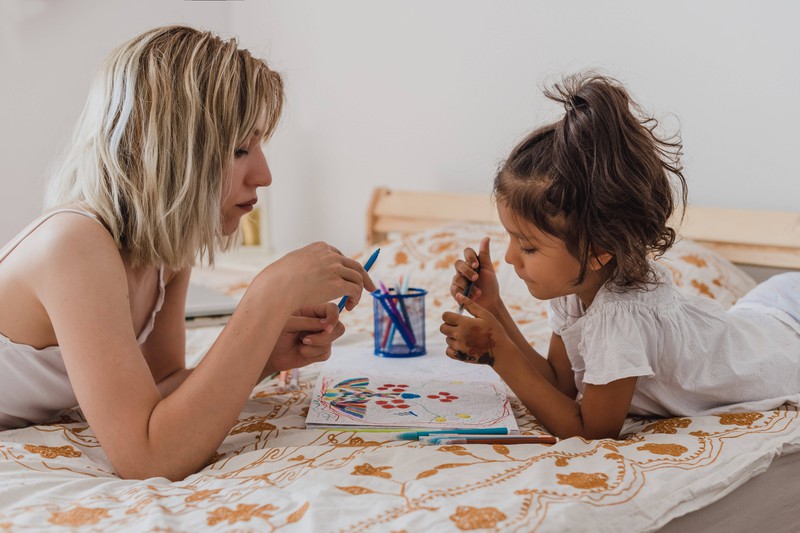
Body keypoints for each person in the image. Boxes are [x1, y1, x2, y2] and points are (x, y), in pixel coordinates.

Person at [0, 26, 375, 480]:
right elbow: (148, 457)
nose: (264, 174)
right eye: (240, 148)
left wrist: (264, 357)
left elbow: (161, 394)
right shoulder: (74, 246)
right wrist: (266, 297)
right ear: (163, 147)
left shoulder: (164, 253)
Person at [440, 73, 800, 440]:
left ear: (597, 251)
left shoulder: (620, 316)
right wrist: (495, 308)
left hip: (787, 337)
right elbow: (561, 385)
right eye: (511, 238)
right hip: (762, 315)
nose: (510, 258)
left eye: (528, 246)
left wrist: (498, 353)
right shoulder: (576, 287)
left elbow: (592, 430)